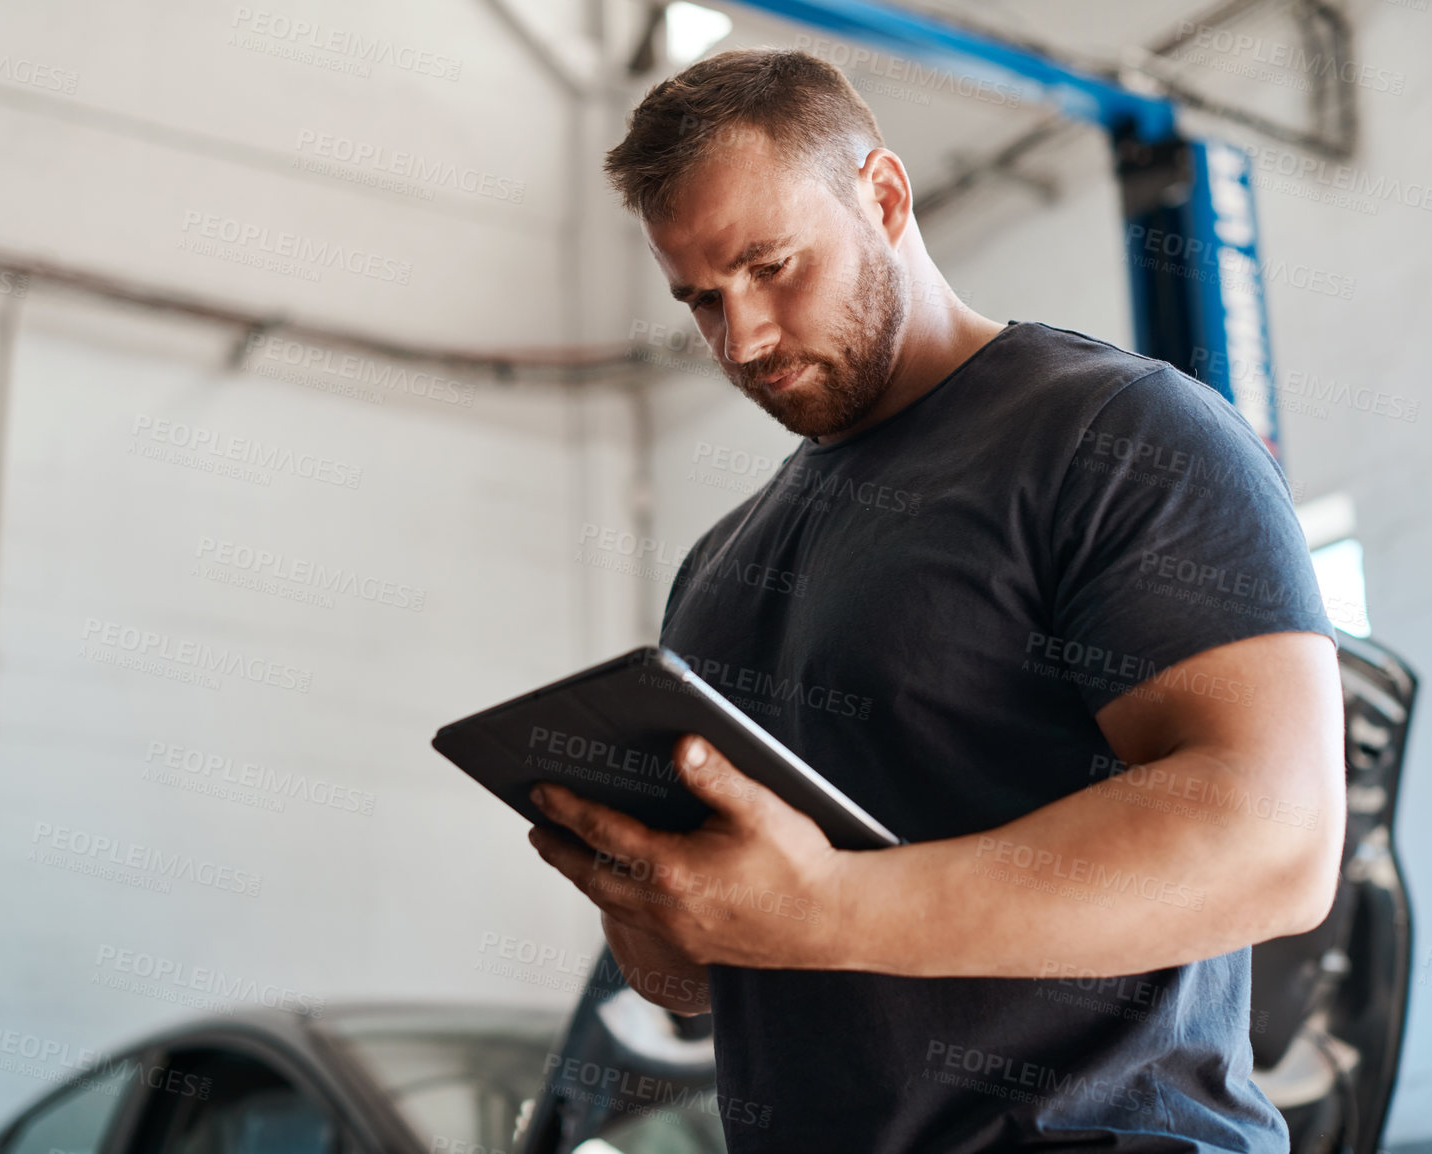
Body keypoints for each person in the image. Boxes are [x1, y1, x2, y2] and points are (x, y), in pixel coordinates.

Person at [525, 48, 1344, 1154]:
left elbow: (1274, 838)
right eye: (702, 299)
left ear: (884, 195)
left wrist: (823, 907)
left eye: (771, 266)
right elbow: (699, 981)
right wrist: (647, 899)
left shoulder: (1117, 436)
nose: (743, 337)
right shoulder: (721, 566)